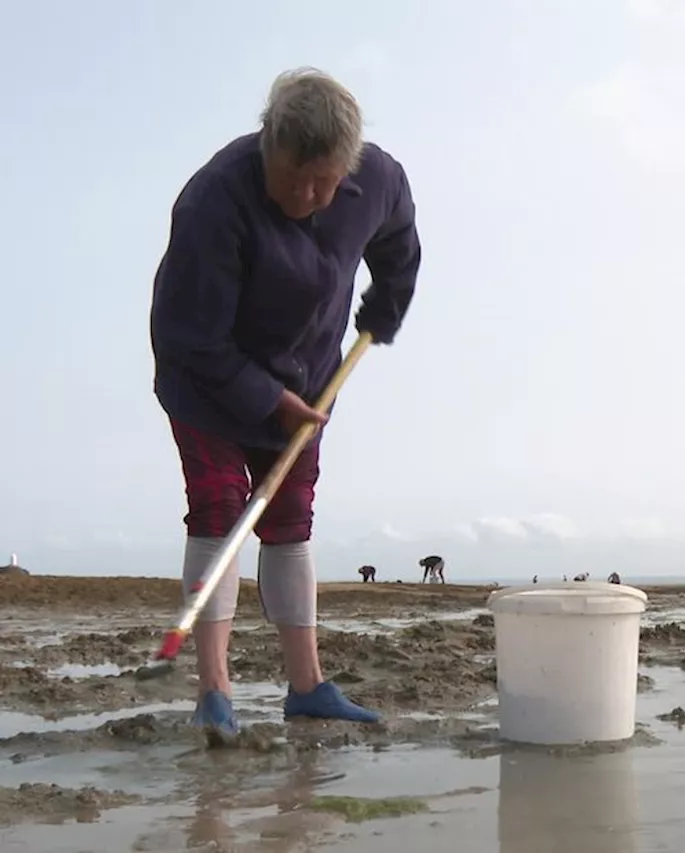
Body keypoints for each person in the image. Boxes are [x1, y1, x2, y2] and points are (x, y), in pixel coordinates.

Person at [149, 67, 422, 743]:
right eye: (290, 176)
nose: (304, 195)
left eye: (322, 183)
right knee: (219, 509)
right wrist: (266, 397)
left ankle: (307, 687)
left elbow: (399, 241)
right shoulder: (214, 202)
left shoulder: (378, 180)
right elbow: (187, 336)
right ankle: (214, 690)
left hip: (309, 379)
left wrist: (384, 310)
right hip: (207, 379)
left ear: (347, 168)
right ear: (268, 142)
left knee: (292, 518)